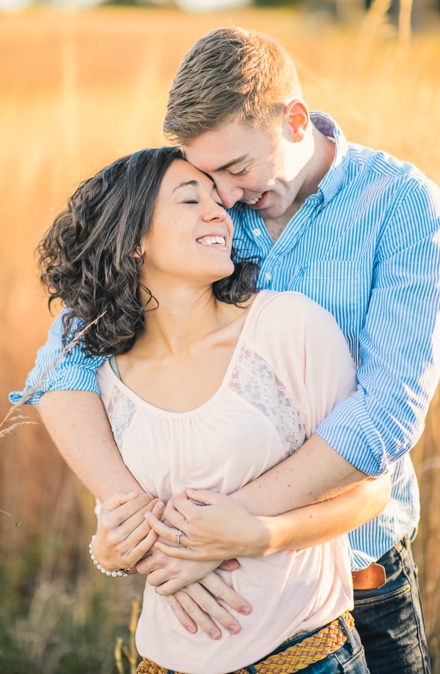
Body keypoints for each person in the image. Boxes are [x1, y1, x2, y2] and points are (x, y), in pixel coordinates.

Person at [11, 28, 440, 673]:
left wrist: (230, 529)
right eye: (206, 177)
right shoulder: (205, 210)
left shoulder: (403, 205)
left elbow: (387, 413)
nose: (228, 196)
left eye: (237, 169)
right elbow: (62, 361)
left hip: (357, 569)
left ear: (295, 120)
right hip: (191, 599)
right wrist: (148, 531)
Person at [35, 147, 387, 672]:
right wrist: (110, 552)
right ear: (133, 240)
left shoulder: (288, 328)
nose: (219, 212)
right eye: (189, 198)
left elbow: (371, 490)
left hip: (304, 658)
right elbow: (121, 523)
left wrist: (263, 534)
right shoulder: (103, 378)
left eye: (217, 200)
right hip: (164, 661)